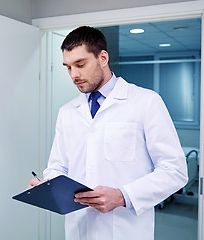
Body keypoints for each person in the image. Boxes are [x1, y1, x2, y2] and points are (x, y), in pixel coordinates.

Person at [29, 26, 188, 240]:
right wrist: (48, 187)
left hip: (125, 230)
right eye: (68, 67)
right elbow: (58, 166)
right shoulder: (67, 112)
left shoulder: (146, 102)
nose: (74, 75)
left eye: (80, 64)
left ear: (103, 57)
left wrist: (123, 196)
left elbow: (174, 171)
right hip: (79, 229)